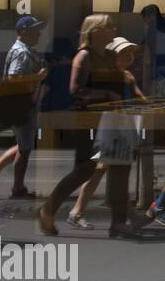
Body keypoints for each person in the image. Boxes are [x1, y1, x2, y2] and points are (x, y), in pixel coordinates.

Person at [38, 14, 120, 237]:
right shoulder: (84, 57)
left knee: (105, 165)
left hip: (106, 118)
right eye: (108, 27)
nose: (113, 30)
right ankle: (48, 209)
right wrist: (106, 94)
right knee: (85, 169)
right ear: (95, 31)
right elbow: (75, 90)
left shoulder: (108, 56)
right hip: (86, 120)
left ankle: (120, 220)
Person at [65, 38, 147, 229]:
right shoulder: (106, 76)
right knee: (105, 170)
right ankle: (80, 212)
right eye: (124, 52)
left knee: (108, 170)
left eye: (131, 52)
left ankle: (80, 212)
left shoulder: (127, 76)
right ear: (112, 55)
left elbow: (140, 98)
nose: (129, 56)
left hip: (123, 127)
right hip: (110, 127)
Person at [0, 16, 48, 199]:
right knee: (25, 149)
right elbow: (12, 78)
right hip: (21, 104)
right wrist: (37, 77)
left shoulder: (23, 50)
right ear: (24, 32)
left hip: (21, 103)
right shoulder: (22, 52)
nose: (39, 33)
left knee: (22, 145)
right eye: (35, 30)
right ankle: (18, 189)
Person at [139, 4, 165, 98]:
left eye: (144, 19)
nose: (145, 22)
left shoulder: (153, 27)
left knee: (163, 100)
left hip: (162, 70)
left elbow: (143, 46)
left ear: (150, 16)